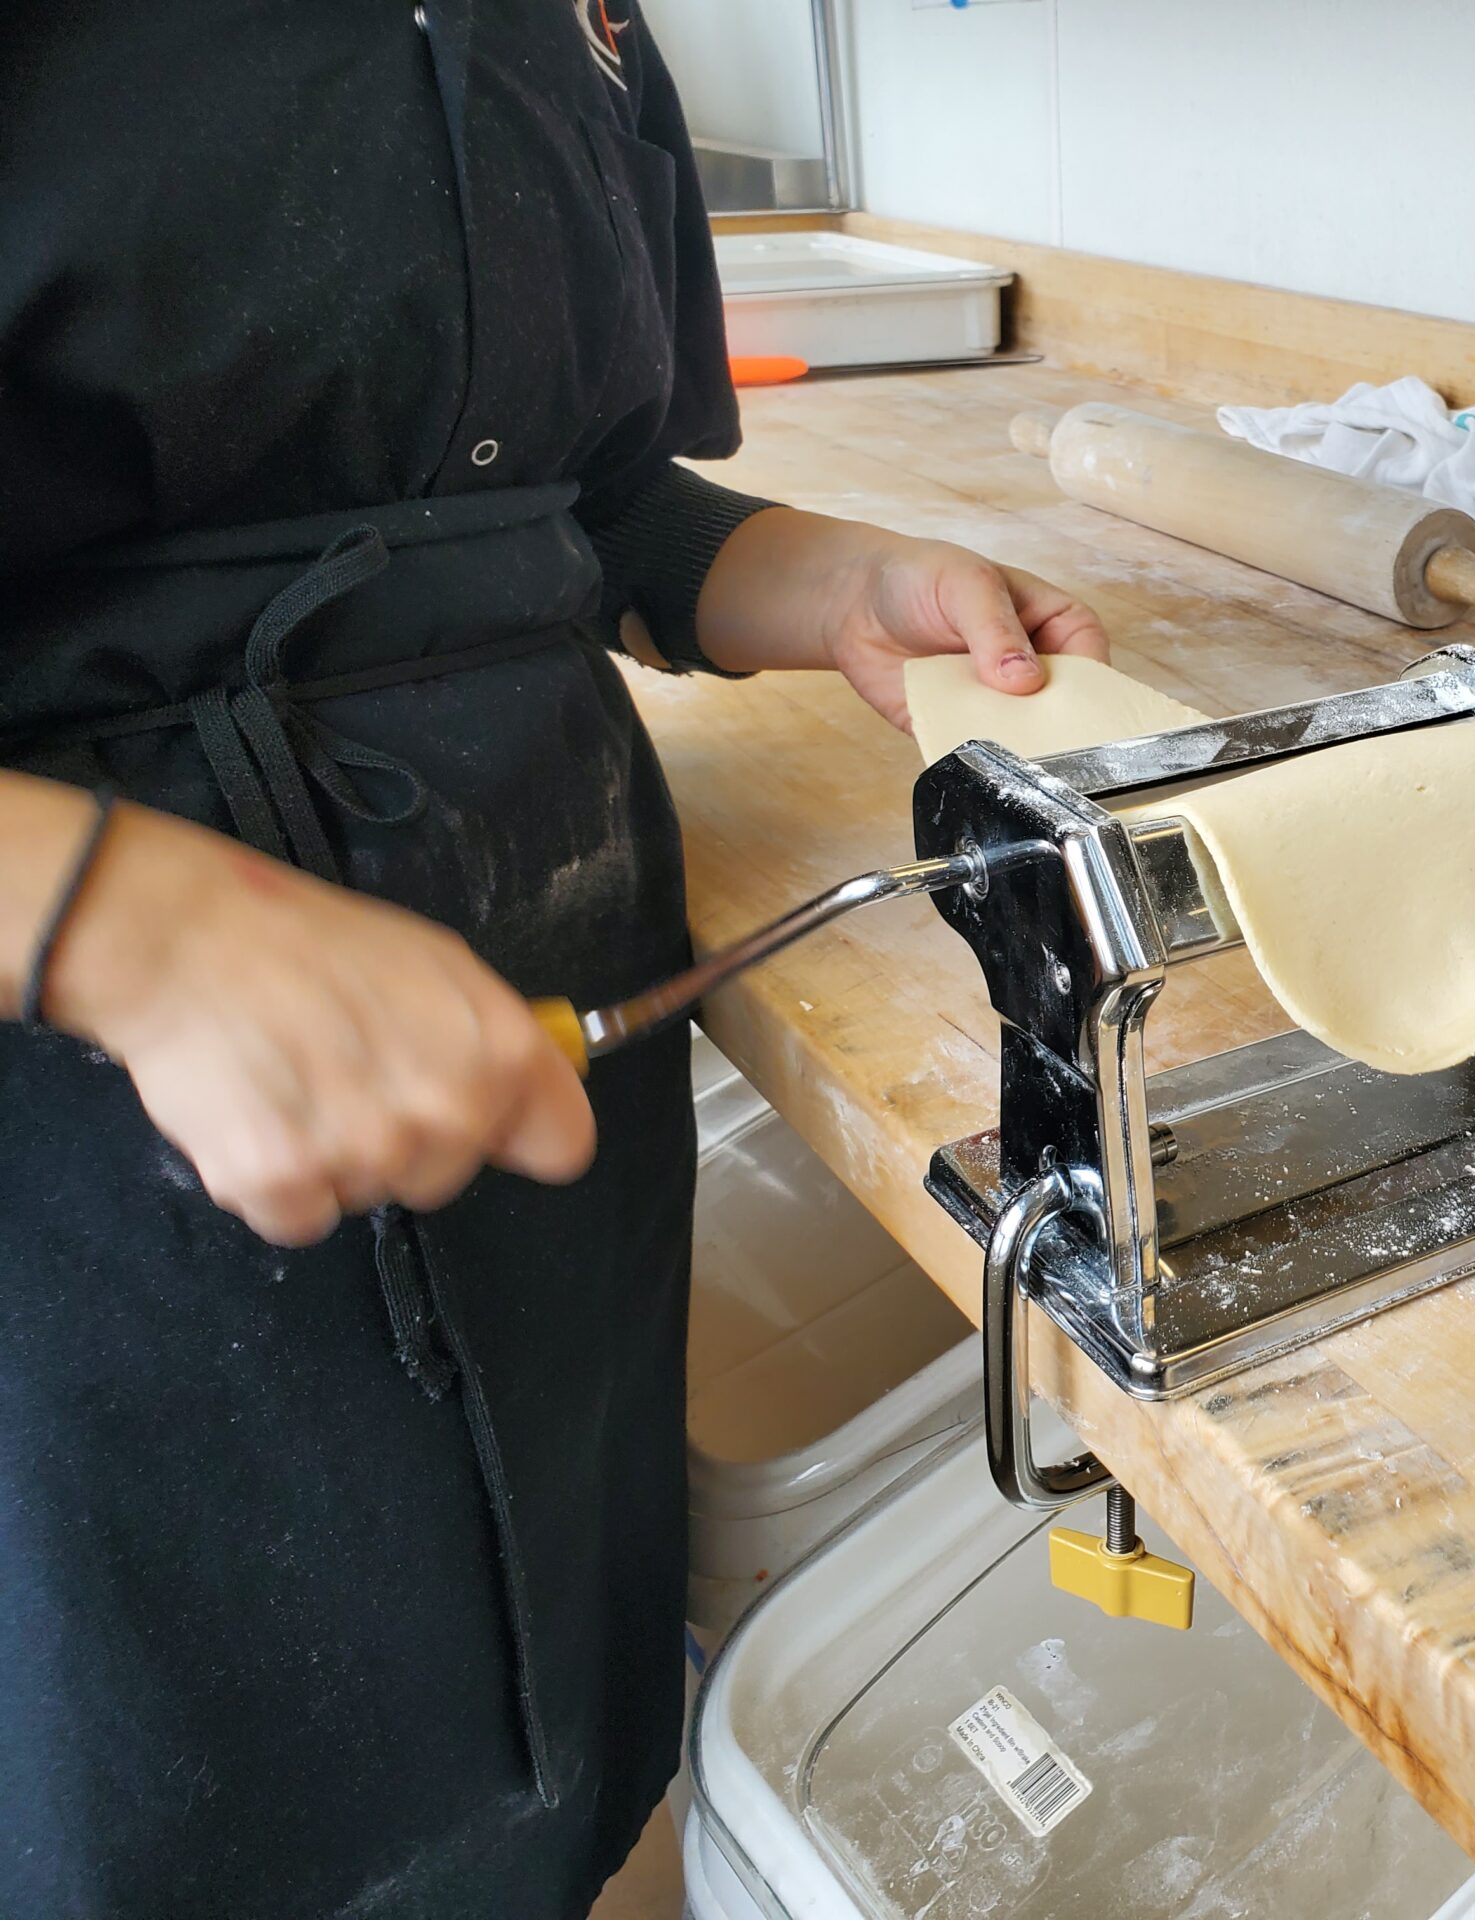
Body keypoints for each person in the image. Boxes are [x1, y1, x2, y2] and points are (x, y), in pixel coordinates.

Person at [0, 6, 1104, 1914]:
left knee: (552, 1743)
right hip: (97, 1170)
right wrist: (116, 919)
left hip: (555, 1022)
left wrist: (829, 581)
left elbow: (587, 503)